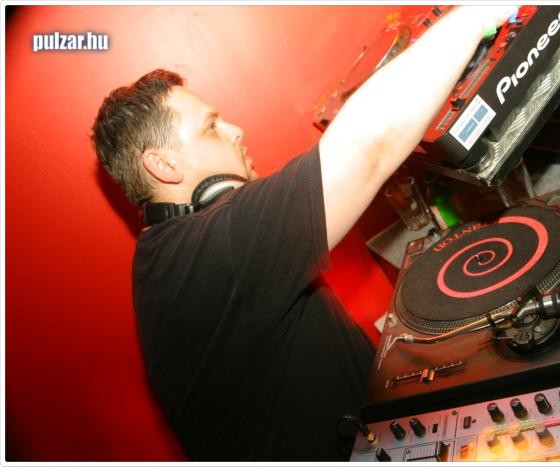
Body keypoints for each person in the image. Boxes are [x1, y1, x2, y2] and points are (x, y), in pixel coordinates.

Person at [91, 5, 516, 461]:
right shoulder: (211, 251)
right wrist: (476, 16)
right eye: (211, 127)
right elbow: (371, 145)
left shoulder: (170, 256)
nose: (235, 131)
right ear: (163, 165)